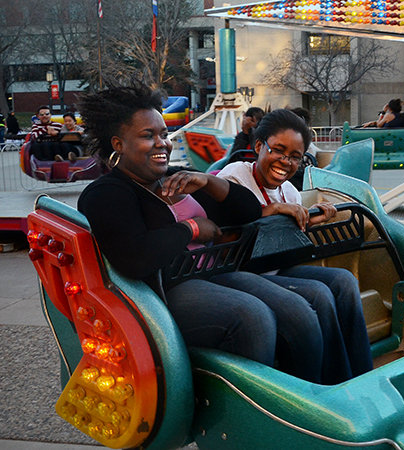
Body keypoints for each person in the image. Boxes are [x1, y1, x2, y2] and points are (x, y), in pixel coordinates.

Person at [76, 81, 293, 371]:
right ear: (118, 144)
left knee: (300, 307)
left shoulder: (174, 177)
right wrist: (191, 229)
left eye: (164, 134)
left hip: (211, 274)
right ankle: (257, 410)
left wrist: (208, 180)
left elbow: (248, 211)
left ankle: (324, 395)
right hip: (162, 296)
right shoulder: (107, 193)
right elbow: (134, 258)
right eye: (148, 135)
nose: (162, 143)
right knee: (252, 316)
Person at [217, 108, 373, 385]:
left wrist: (311, 217)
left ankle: (361, 375)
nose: (285, 162)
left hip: (273, 267)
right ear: (257, 146)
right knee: (318, 294)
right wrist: (272, 211)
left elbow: (285, 236)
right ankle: (327, 384)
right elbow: (225, 236)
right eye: (278, 150)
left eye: (294, 157)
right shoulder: (235, 177)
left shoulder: (289, 190)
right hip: (237, 271)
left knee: (344, 281)